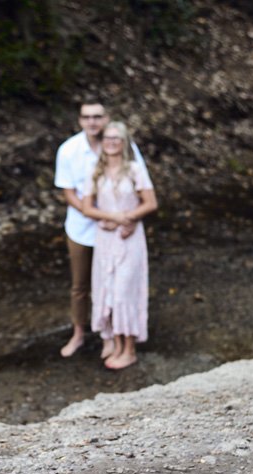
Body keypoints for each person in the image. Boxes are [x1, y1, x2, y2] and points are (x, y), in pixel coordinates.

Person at [54, 101, 150, 357]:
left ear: (106, 118)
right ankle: (79, 334)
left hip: (117, 233)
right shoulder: (68, 151)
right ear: (80, 120)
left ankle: (110, 336)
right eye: (87, 117)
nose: (93, 122)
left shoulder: (120, 145)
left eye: (98, 117)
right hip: (82, 229)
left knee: (110, 284)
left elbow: (139, 190)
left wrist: (127, 220)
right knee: (81, 284)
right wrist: (101, 217)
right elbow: (69, 193)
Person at [81, 121, 157, 370]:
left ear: (124, 143)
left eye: (117, 138)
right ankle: (113, 341)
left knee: (125, 290)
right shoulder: (95, 169)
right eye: (108, 138)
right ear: (102, 142)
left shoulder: (135, 169)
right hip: (105, 237)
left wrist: (130, 218)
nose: (112, 142)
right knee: (107, 288)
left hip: (129, 237)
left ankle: (129, 349)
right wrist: (113, 218)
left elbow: (150, 203)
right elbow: (86, 206)